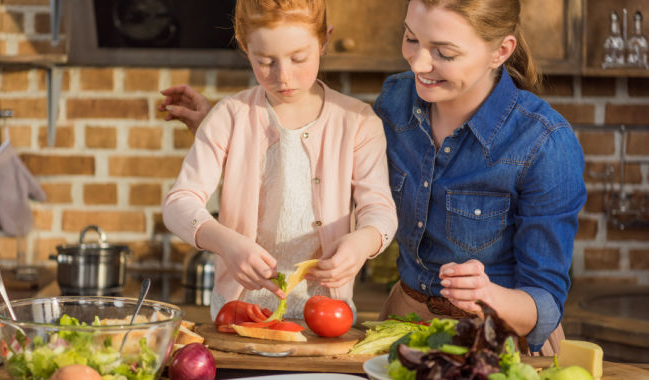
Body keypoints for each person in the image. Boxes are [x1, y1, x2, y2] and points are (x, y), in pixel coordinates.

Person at [160, 0, 587, 356]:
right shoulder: (396, 103)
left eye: (444, 53)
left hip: (499, 338)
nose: (419, 63)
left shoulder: (545, 143)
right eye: (411, 38)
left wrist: (487, 294)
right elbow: (320, 147)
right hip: (401, 324)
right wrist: (223, 128)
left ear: (501, 50)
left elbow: (546, 302)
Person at [161, 0, 398, 321]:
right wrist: (227, 244)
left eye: (298, 58)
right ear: (245, 47)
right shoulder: (229, 116)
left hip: (327, 316)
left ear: (325, 40)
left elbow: (380, 212)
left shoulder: (358, 121)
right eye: (265, 61)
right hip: (239, 311)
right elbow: (178, 203)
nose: (283, 76)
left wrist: (361, 244)